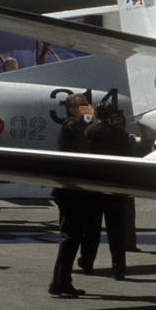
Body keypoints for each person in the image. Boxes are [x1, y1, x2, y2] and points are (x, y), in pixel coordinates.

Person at [49, 93, 96, 297]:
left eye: (87, 105)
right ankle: (60, 282)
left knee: (73, 237)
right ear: (71, 110)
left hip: (75, 191)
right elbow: (79, 124)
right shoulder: (69, 127)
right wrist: (89, 114)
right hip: (69, 192)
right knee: (70, 237)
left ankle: (60, 281)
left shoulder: (78, 130)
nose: (85, 108)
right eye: (81, 106)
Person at [85, 101, 135, 279]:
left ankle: (87, 261)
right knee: (116, 231)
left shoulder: (89, 133)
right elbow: (129, 160)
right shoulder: (121, 136)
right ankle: (118, 267)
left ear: (96, 115)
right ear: (112, 116)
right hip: (115, 187)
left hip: (95, 187)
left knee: (92, 228)